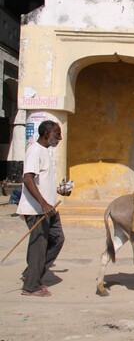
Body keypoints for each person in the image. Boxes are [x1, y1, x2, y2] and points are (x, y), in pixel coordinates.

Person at [17, 120, 71, 297]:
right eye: (57, 134)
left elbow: (42, 182)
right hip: (37, 210)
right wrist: (43, 203)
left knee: (57, 239)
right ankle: (31, 286)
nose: (60, 138)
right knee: (38, 247)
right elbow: (27, 179)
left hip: (49, 208)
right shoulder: (34, 150)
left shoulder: (46, 152)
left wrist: (59, 191)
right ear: (46, 133)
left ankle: (31, 273)